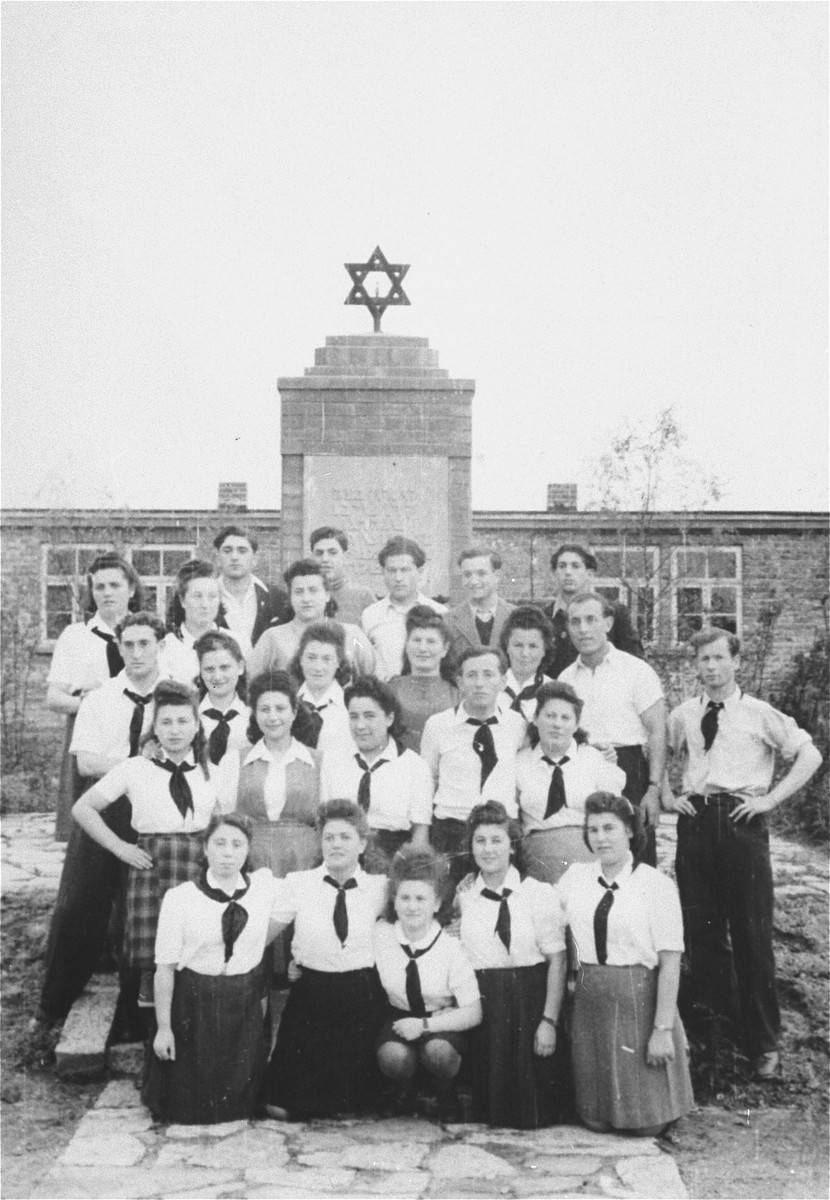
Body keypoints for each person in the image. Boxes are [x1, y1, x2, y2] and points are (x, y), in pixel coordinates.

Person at [666, 628, 822, 1081]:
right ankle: (719, 1042)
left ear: (735, 661)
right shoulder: (682, 715)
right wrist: (668, 794)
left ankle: (765, 1046)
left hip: (741, 823)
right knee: (704, 935)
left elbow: (808, 754)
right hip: (696, 824)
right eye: (703, 660)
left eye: (718, 658)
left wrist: (770, 800)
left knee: (752, 937)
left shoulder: (758, 713)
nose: (710, 667)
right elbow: (659, 757)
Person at [38, 612, 168, 1029]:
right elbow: (88, 763)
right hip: (107, 806)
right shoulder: (101, 698)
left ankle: (138, 1014)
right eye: (127, 645)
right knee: (78, 902)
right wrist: (135, 764)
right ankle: (52, 1006)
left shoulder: (176, 699)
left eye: (144, 643)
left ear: (160, 647)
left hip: (156, 808)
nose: (135, 653)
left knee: (144, 908)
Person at [72, 680, 223, 1006]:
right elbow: (82, 809)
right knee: (154, 963)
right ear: (154, 727)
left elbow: (222, 824)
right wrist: (120, 848)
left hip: (198, 867)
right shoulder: (135, 768)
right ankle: (152, 1034)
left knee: (197, 954)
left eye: (183, 721)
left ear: (197, 726)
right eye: (165, 722)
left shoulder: (212, 772)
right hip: (153, 868)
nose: (174, 730)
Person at [557, 792, 694, 1135]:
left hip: (639, 1001)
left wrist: (661, 1030)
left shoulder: (655, 885)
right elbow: (541, 913)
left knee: (645, 1125)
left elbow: (670, 963)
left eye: (609, 828)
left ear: (630, 830)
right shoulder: (575, 877)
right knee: (595, 1121)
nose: (601, 838)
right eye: (593, 830)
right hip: (592, 1002)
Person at [143, 814, 282, 1124]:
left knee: (243, 1103)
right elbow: (164, 968)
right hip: (194, 1004)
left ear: (248, 850)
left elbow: (305, 898)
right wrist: (164, 1028)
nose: (228, 852)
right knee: (189, 1107)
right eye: (219, 843)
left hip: (242, 1002)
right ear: (204, 849)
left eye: (237, 844)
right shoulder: (180, 898)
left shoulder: (265, 888)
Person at [265, 800, 388, 1120]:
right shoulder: (298, 884)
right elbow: (264, 933)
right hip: (311, 995)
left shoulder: (381, 888)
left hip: (360, 997)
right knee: (278, 1107)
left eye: (345, 837)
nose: (336, 844)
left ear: (362, 844)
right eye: (329, 837)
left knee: (351, 1108)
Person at [455, 801, 567, 1129]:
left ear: (513, 846)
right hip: (487, 1005)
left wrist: (548, 1020)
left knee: (533, 1112)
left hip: (530, 1001)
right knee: (491, 1114)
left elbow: (557, 960)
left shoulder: (538, 893)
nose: (488, 849)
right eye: (480, 841)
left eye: (496, 840)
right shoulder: (465, 897)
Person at [558, 591, 666, 866]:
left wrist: (653, 788)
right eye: (575, 622)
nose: (583, 629)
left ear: (607, 624)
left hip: (630, 770)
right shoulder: (566, 678)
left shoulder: (636, 671)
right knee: (590, 857)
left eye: (591, 620)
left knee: (637, 859)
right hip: (583, 769)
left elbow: (657, 732)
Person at [374, 846, 481, 1120]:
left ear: (436, 904)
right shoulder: (381, 936)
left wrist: (425, 1026)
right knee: (393, 1057)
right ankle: (404, 1090)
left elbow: (474, 1011)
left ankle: (445, 1090)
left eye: (421, 898)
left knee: (438, 1052)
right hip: (399, 1018)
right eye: (405, 897)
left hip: (441, 1021)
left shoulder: (450, 947)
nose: (412, 906)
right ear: (394, 901)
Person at [46, 552, 143, 840]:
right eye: (99, 587)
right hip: (92, 736)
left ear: (132, 589)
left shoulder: (145, 632)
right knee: (89, 822)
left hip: (136, 730)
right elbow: (53, 697)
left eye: (115, 585)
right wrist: (90, 703)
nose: (107, 593)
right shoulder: (76, 636)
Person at [421, 648, 526, 885]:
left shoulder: (517, 725)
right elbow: (426, 782)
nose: (480, 683)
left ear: (503, 681)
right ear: (460, 682)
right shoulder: (438, 725)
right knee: (450, 905)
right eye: (471, 675)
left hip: (500, 830)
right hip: (451, 831)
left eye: (488, 674)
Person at [519, 681, 626, 885]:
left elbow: (614, 817)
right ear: (535, 719)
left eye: (565, 717)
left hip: (589, 857)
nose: (557, 724)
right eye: (550, 716)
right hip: (538, 862)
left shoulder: (594, 759)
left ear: (576, 724)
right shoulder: (520, 763)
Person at [320, 677, 434, 869]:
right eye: (354, 716)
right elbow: (325, 823)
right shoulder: (333, 762)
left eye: (369, 716)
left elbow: (420, 835)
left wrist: (401, 872)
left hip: (394, 859)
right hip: (342, 857)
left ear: (389, 718)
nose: (360, 726)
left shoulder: (414, 766)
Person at [248, 559, 374, 679]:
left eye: (313, 591)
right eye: (298, 592)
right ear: (290, 597)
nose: (306, 598)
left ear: (327, 595)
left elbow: (378, 676)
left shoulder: (353, 635)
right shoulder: (273, 638)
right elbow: (251, 682)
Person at [542, 544, 643, 678]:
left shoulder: (613, 612)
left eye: (575, 566)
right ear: (554, 573)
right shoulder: (543, 618)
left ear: (589, 574)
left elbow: (635, 664)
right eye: (562, 566)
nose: (568, 572)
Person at [362, 536, 446, 681]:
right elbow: (364, 659)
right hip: (384, 695)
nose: (398, 578)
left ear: (419, 572)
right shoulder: (370, 615)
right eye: (392, 570)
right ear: (383, 573)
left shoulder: (440, 612)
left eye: (405, 570)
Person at [388, 605, 458, 752]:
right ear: (406, 645)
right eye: (416, 640)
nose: (423, 648)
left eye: (431, 642)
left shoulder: (458, 693)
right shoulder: (390, 689)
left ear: (445, 649)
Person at [213, 524, 290, 650]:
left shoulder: (277, 598)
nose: (234, 557)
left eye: (242, 551)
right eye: (227, 551)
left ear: (255, 558)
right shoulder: (205, 597)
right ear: (217, 558)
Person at [291, 622, 353, 754]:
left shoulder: (350, 706)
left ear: (338, 662)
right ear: (300, 659)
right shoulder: (288, 702)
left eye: (327, 659)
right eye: (311, 658)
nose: (318, 667)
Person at [444, 548, 516, 659]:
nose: (473, 581)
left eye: (481, 573)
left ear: (497, 576)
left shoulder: (515, 616)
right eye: (467, 575)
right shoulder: (448, 620)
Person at [194, 630, 250, 766]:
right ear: (200, 671)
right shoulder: (189, 711)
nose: (217, 677)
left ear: (240, 667)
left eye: (225, 667)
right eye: (209, 669)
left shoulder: (254, 712)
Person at [161, 561, 222, 686]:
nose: (205, 604)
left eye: (212, 596)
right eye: (197, 596)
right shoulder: (165, 647)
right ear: (183, 600)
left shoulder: (239, 642)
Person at [498, 605, 556, 724]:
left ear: (544, 649)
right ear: (507, 646)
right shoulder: (491, 686)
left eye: (533, 646)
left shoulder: (554, 692)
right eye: (518, 645)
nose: (525, 653)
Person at [310, 525, 376, 626]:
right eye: (319, 553)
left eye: (332, 553)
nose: (325, 559)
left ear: (345, 556)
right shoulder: (304, 596)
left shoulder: (363, 596)